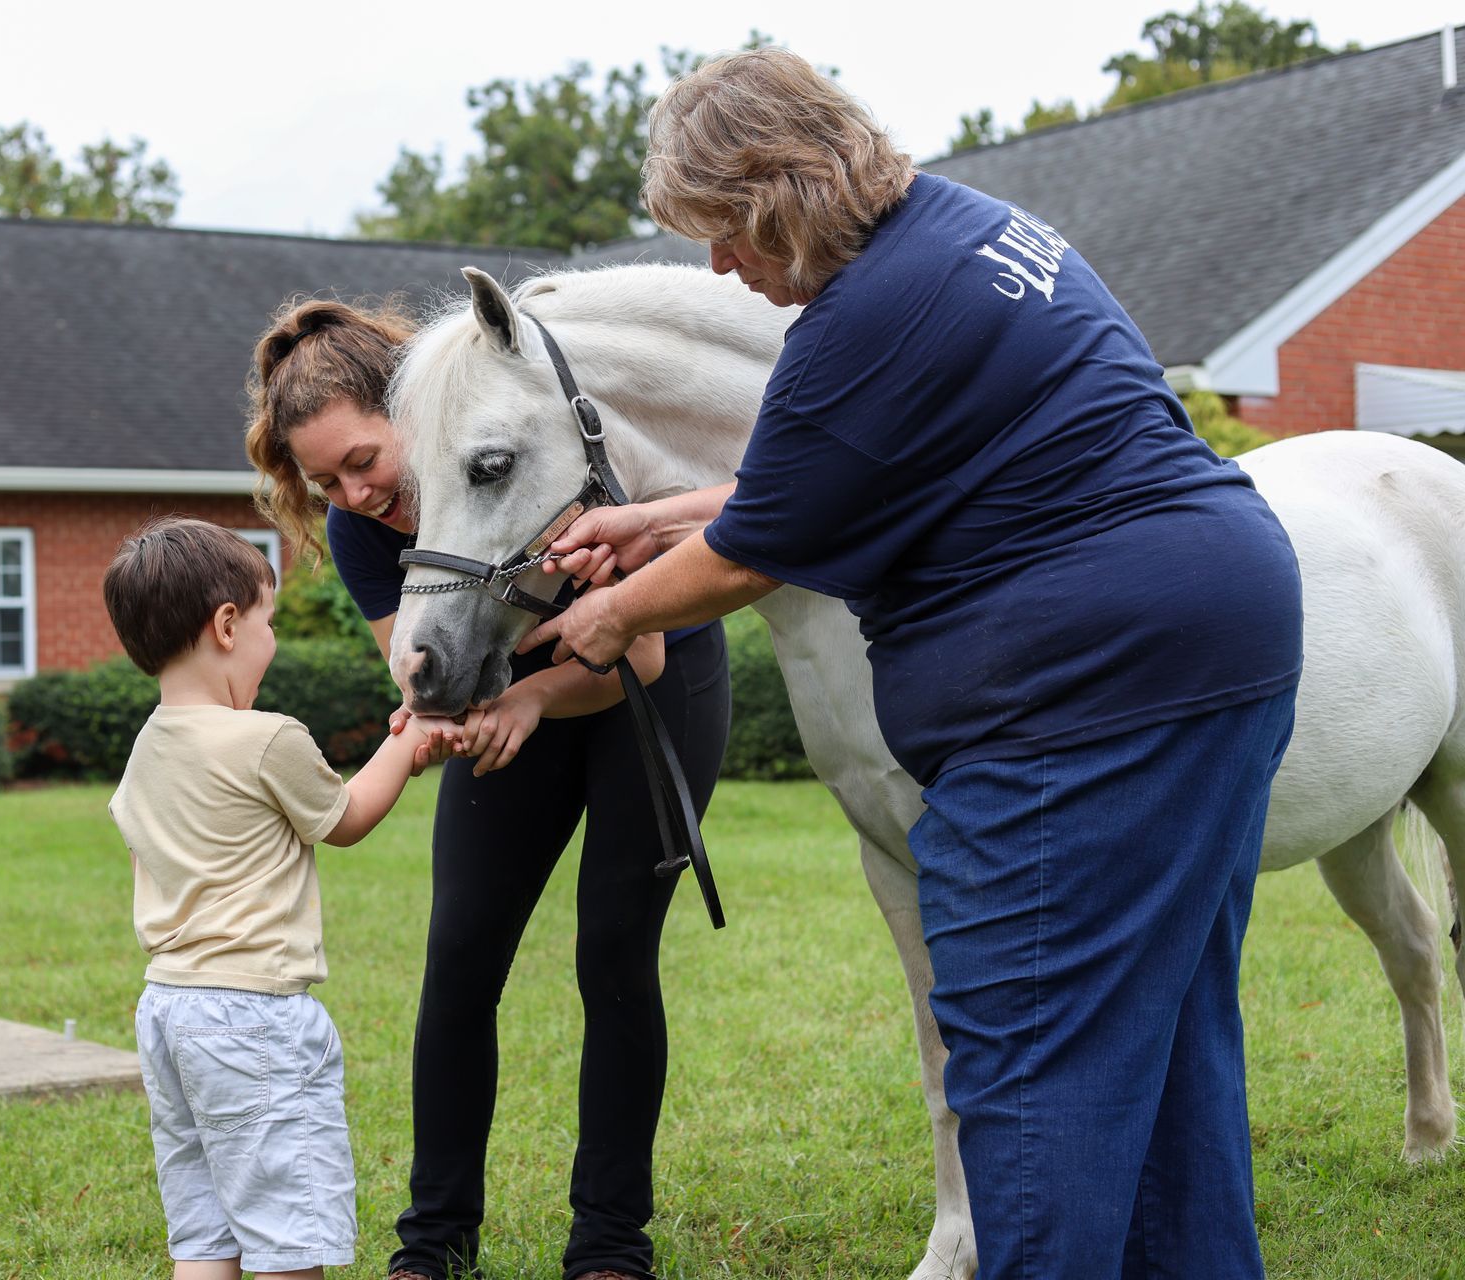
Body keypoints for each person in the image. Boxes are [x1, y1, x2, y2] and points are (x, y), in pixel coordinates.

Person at [521, 48, 1303, 1280]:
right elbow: (823, 482)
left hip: (1084, 697)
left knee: (1028, 1047)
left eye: (721, 230)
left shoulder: (861, 322)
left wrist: (608, 617)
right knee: (1165, 1041)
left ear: (775, 189)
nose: (719, 266)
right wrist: (656, 521)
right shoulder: (971, 233)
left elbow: (752, 553)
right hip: (1215, 628)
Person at [244, 299, 732, 1280]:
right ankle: (433, 1238)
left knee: (615, 953)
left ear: (414, 415)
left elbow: (635, 643)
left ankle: (608, 1239)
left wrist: (522, 699)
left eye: (364, 459)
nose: (354, 490)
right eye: (326, 478)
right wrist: (451, 716)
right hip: (509, 721)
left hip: (649, 690)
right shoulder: (362, 530)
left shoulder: (527, 456)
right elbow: (416, 672)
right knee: (459, 957)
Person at [102, 516, 452, 1280]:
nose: (272, 641)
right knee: (287, 1230)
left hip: (168, 1008)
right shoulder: (264, 738)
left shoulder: (147, 747)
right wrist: (413, 733)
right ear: (227, 625)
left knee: (205, 1229)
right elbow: (347, 817)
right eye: (268, 622)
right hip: (251, 1016)